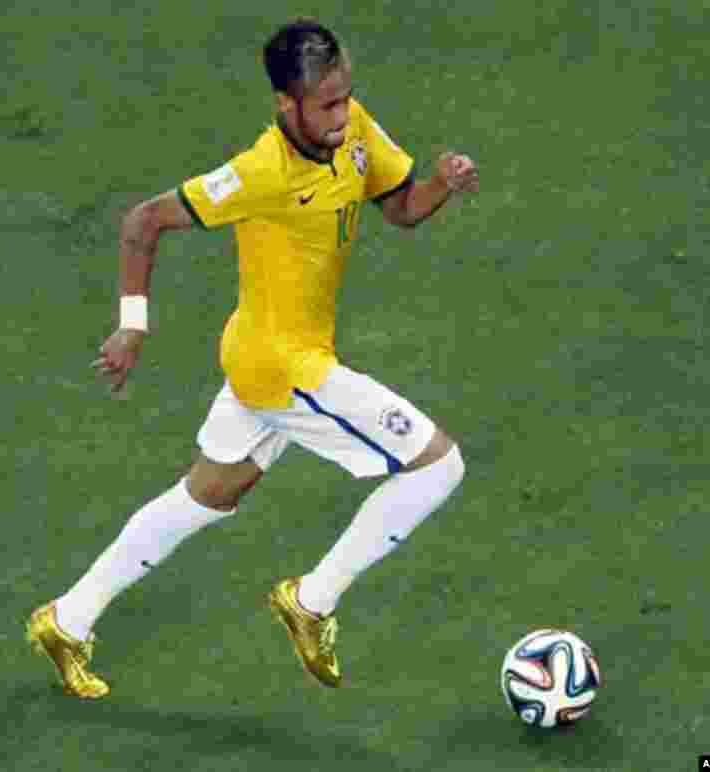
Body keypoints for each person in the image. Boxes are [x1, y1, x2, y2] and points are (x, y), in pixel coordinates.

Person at [27, 17, 479, 698]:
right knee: (439, 467)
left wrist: (442, 183)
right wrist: (132, 327)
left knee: (204, 496)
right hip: (284, 369)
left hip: (265, 356)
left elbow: (402, 207)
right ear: (284, 104)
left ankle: (66, 618)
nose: (340, 114)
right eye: (324, 104)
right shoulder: (259, 173)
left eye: (345, 96)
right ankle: (313, 601)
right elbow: (142, 222)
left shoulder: (353, 129)